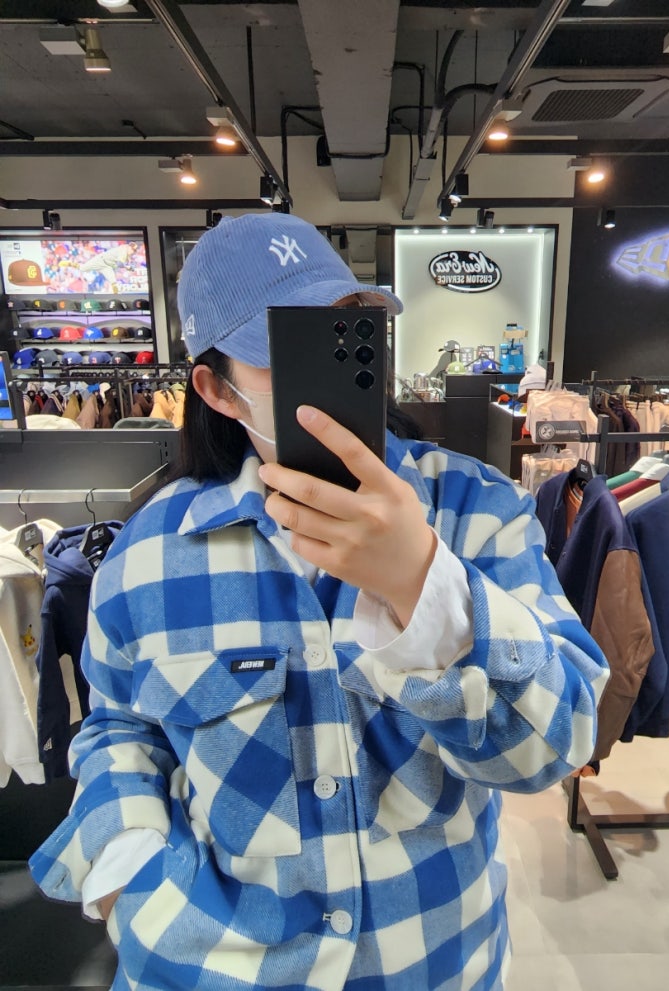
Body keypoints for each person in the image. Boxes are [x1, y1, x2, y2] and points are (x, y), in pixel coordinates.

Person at [30, 213, 608, 991]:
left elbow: (556, 746)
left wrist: (424, 585)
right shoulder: (149, 553)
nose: (334, 367)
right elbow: (121, 725)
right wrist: (128, 868)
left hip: (432, 965)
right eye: (289, 349)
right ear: (217, 390)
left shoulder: (475, 511)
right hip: (215, 966)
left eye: (350, 330)